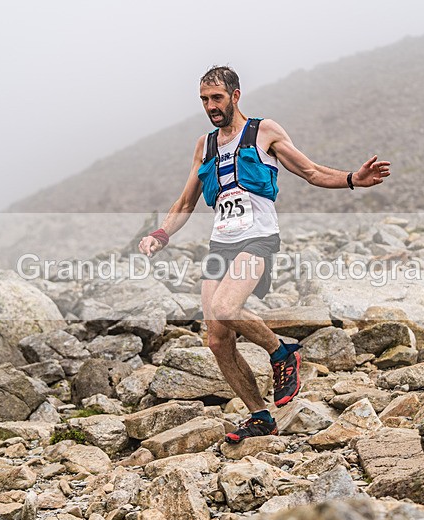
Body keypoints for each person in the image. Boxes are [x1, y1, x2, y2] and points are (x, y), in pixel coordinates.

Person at [138, 66, 390, 443]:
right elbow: (186, 201)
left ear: (235, 95)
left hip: (257, 237)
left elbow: (310, 171)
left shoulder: (263, 131)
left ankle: (281, 351)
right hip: (220, 242)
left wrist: (353, 179)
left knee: (226, 308)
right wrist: (161, 233)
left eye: (217, 98)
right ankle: (260, 416)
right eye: (205, 100)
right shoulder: (204, 145)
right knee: (217, 340)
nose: (211, 106)